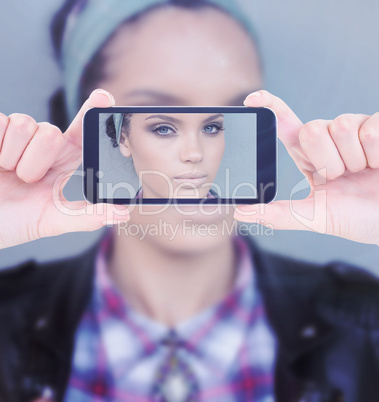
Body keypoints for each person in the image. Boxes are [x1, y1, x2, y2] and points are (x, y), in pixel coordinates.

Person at [0, 1, 378, 402]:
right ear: (114, 136)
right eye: (163, 124)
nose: (195, 153)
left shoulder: (366, 322)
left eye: (217, 123)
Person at [106, 112, 225, 199]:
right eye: (164, 129)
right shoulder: (118, 232)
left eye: (210, 128)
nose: (195, 155)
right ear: (124, 140)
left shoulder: (236, 230)